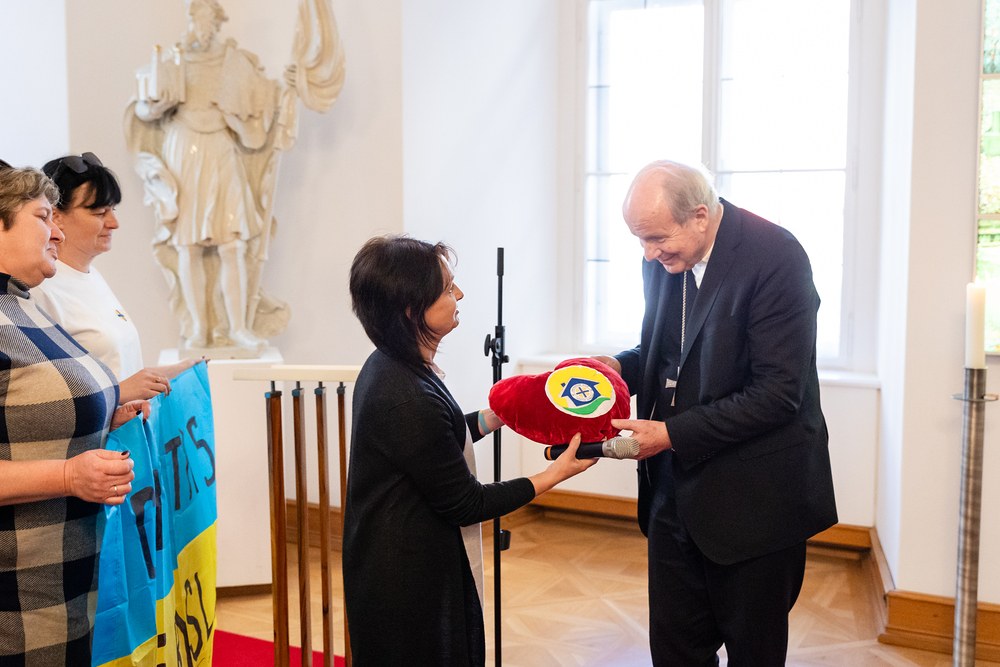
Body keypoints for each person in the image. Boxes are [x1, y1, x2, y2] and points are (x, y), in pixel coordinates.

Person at [595, 160, 838, 666]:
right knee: (675, 649)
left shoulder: (776, 257)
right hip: (672, 488)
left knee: (754, 653)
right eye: (640, 240)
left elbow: (778, 393)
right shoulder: (666, 257)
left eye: (656, 238)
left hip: (754, 499)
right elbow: (671, 352)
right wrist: (617, 366)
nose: (648, 253)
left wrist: (669, 434)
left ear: (700, 216)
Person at [344, 235, 596, 666]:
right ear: (411, 309)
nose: (459, 294)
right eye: (447, 289)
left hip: (400, 561)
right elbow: (467, 502)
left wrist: (500, 415)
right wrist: (555, 474)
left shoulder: (392, 364)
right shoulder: (407, 395)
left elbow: (438, 442)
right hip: (405, 582)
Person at [0, 166, 151, 666]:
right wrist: (67, 475)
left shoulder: (20, 302)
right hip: (17, 599)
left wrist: (101, 421)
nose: (58, 233)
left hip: (68, 578)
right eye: (43, 217)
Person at [125, 0, 293, 353]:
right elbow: (143, 104)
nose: (201, 28)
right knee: (188, 245)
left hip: (220, 149)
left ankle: (238, 328)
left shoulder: (235, 61)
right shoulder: (173, 59)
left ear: (217, 23)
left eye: (207, 21)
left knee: (233, 244)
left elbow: (262, 105)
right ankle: (199, 329)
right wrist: (154, 106)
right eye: (196, 19)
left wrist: (287, 87)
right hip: (183, 150)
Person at [33, 152, 199, 404]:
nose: (114, 223)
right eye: (100, 213)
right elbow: (48, 397)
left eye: (112, 210)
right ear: (56, 216)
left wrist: (176, 372)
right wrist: (119, 394)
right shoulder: (41, 290)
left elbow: (118, 372)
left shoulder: (92, 277)